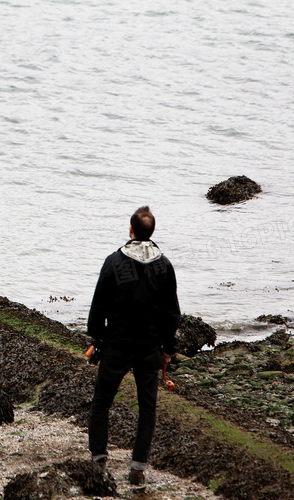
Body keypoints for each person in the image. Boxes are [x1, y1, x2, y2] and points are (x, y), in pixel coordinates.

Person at [86, 205, 180, 486]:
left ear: (131, 230)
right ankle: (137, 469)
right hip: (149, 347)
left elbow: (98, 306)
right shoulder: (164, 266)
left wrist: (97, 339)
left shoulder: (114, 262)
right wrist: (168, 348)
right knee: (147, 407)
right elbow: (172, 313)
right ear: (151, 233)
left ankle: (99, 460)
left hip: (116, 344)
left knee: (102, 402)